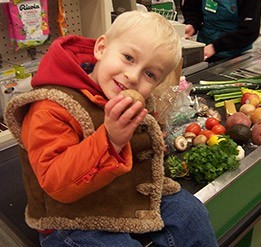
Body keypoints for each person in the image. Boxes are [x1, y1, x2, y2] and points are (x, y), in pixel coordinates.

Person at [4, 11, 218, 247]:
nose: (132, 76)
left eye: (150, 74)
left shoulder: (127, 97)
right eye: (128, 57)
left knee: (192, 214)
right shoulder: (52, 106)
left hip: (119, 195)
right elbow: (56, 183)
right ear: (101, 48)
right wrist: (110, 140)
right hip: (70, 218)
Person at [181, 0, 261, 61]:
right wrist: (192, 25)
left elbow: (249, 31)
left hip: (235, 54)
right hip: (204, 48)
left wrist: (215, 47)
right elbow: (193, 10)